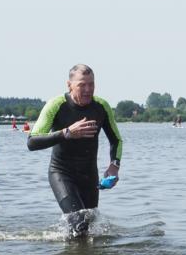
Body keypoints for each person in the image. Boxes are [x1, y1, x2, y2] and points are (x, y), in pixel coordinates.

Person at [27, 64, 122, 238]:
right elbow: (32, 142)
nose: (88, 90)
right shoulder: (56, 105)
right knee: (79, 223)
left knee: (89, 227)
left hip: (89, 175)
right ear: (69, 85)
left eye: (91, 84)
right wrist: (67, 133)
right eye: (82, 85)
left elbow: (116, 139)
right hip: (62, 173)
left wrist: (114, 165)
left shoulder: (101, 106)